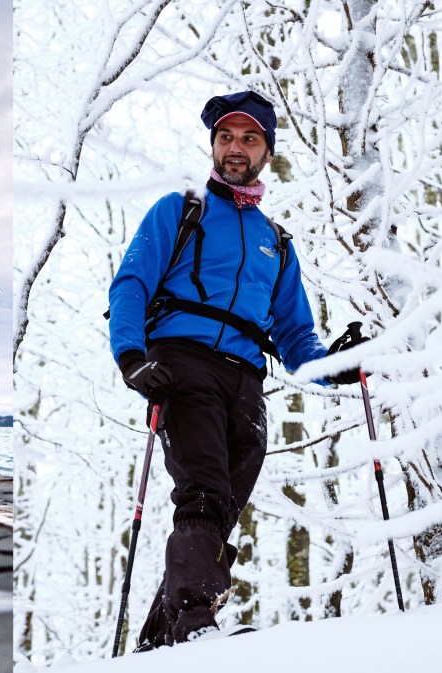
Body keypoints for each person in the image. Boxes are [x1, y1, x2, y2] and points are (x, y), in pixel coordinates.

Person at [107, 90, 364, 650]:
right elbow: (131, 283)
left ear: (266, 151)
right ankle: (198, 622)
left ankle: (162, 642)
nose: (235, 148)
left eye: (249, 138)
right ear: (213, 145)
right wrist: (130, 355)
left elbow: (296, 337)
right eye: (226, 137)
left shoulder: (278, 242)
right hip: (181, 363)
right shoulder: (182, 208)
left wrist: (337, 366)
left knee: (220, 508)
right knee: (202, 492)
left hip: (247, 381)